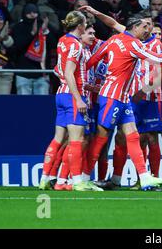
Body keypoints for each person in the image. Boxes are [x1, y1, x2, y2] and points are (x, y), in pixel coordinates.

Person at [82, 11, 162, 190]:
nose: (147, 30)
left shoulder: (114, 39)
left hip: (122, 97)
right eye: (144, 26)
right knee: (101, 138)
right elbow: (160, 58)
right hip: (113, 97)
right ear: (134, 27)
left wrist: (81, 74)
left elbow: (94, 59)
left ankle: (144, 176)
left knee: (133, 135)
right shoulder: (134, 44)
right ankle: (83, 178)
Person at [39, 11, 102, 191]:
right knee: (77, 140)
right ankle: (78, 181)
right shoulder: (75, 45)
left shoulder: (62, 41)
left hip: (61, 93)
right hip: (73, 96)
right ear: (81, 26)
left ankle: (45, 178)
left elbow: (59, 70)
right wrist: (79, 99)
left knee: (58, 138)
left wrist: (88, 88)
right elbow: (68, 72)